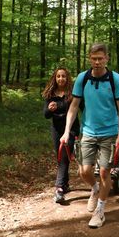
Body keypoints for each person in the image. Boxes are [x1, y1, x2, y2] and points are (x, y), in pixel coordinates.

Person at [60, 43, 119, 229]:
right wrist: (66, 132)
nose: (97, 62)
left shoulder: (115, 80)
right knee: (84, 171)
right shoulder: (83, 78)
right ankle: (95, 189)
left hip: (110, 132)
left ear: (107, 58)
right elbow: (74, 106)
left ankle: (100, 210)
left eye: (100, 58)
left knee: (105, 172)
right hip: (87, 132)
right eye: (94, 58)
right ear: (89, 58)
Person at [42, 67, 79, 204]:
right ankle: (66, 183)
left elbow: (82, 108)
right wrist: (50, 110)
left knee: (64, 154)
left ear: (67, 78)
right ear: (55, 78)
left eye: (63, 76)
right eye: (58, 76)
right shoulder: (50, 94)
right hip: (56, 129)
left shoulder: (72, 94)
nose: (61, 79)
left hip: (71, 129)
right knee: (60, 158)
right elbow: (45, 115)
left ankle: (58, 189)